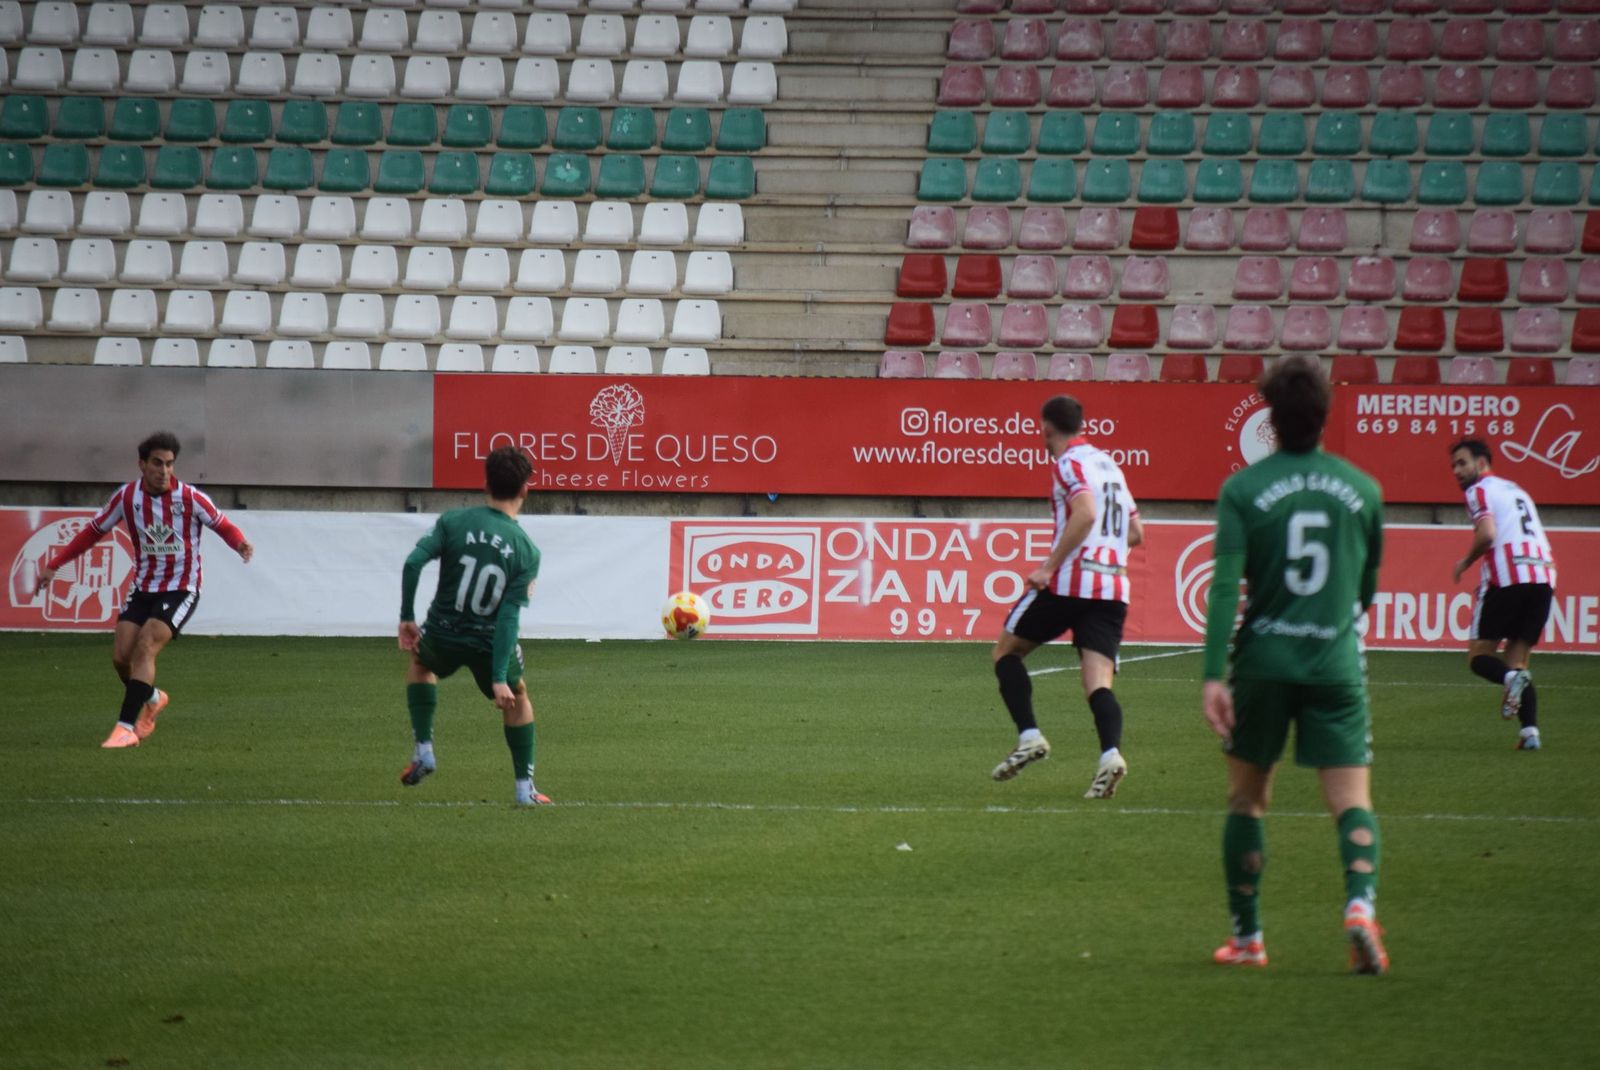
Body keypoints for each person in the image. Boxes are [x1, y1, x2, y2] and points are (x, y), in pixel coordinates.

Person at [1201, 355, 1388, 975]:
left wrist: (1211, 675)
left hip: (1262, 665)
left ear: (1271, 419)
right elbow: (1365, 592)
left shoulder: (1243, 489)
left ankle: (1249, 939)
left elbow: (1225, 589)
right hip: (1335, 665)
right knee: (1350, 801)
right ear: (1325, 415)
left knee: (1247, 802)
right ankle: (1360, 907)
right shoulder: (1364, 489)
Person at [31, 431, 254, 748]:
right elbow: (93, 532)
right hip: (144, 586)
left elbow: (222, 524)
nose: (164, 471)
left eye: (170, 464)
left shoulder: (190, 498)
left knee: (146, 646)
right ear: (142, 464)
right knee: (122, 658)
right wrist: (55, 564)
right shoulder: (126, 498)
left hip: (181, 587)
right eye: (157, 463)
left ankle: (125, 728)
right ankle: (152, 697)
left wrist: (239, 544)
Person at [990, 395, 1144, 799]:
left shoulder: (1067, 464)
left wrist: (1048, 566)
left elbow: (1087, 512)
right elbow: (1136, 533)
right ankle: (1110, 755)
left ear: (1045, 428)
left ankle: (1029, 736)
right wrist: (1109, 558)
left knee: (1006, 651)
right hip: (1113, 587)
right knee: (1098, 682)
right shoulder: (1109, 465)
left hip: (1072, 582)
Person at [399, 445, 549, 806]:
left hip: (443, 632)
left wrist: (406, 616)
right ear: (525, 489)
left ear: (485, 485)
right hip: (488, 642)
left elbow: (412, 563)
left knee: (421, 666)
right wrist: (498, 677)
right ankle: (524, 790)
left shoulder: (453, 521)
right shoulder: (527, 550)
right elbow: (509, 617)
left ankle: (424, 749)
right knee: (519, 697)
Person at [1448, 439, 1557, 751]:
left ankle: (1510, 681)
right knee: (1518, 661)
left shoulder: (1478, 490)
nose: (1457, 471)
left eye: (1462, 462)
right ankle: (1530, 733)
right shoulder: (1517, 490)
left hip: (1509, 576)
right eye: (1454, 465)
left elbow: (1488, 533)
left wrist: (1465, 562)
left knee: (1480, 656)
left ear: (1481, 463)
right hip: (1543, 576)